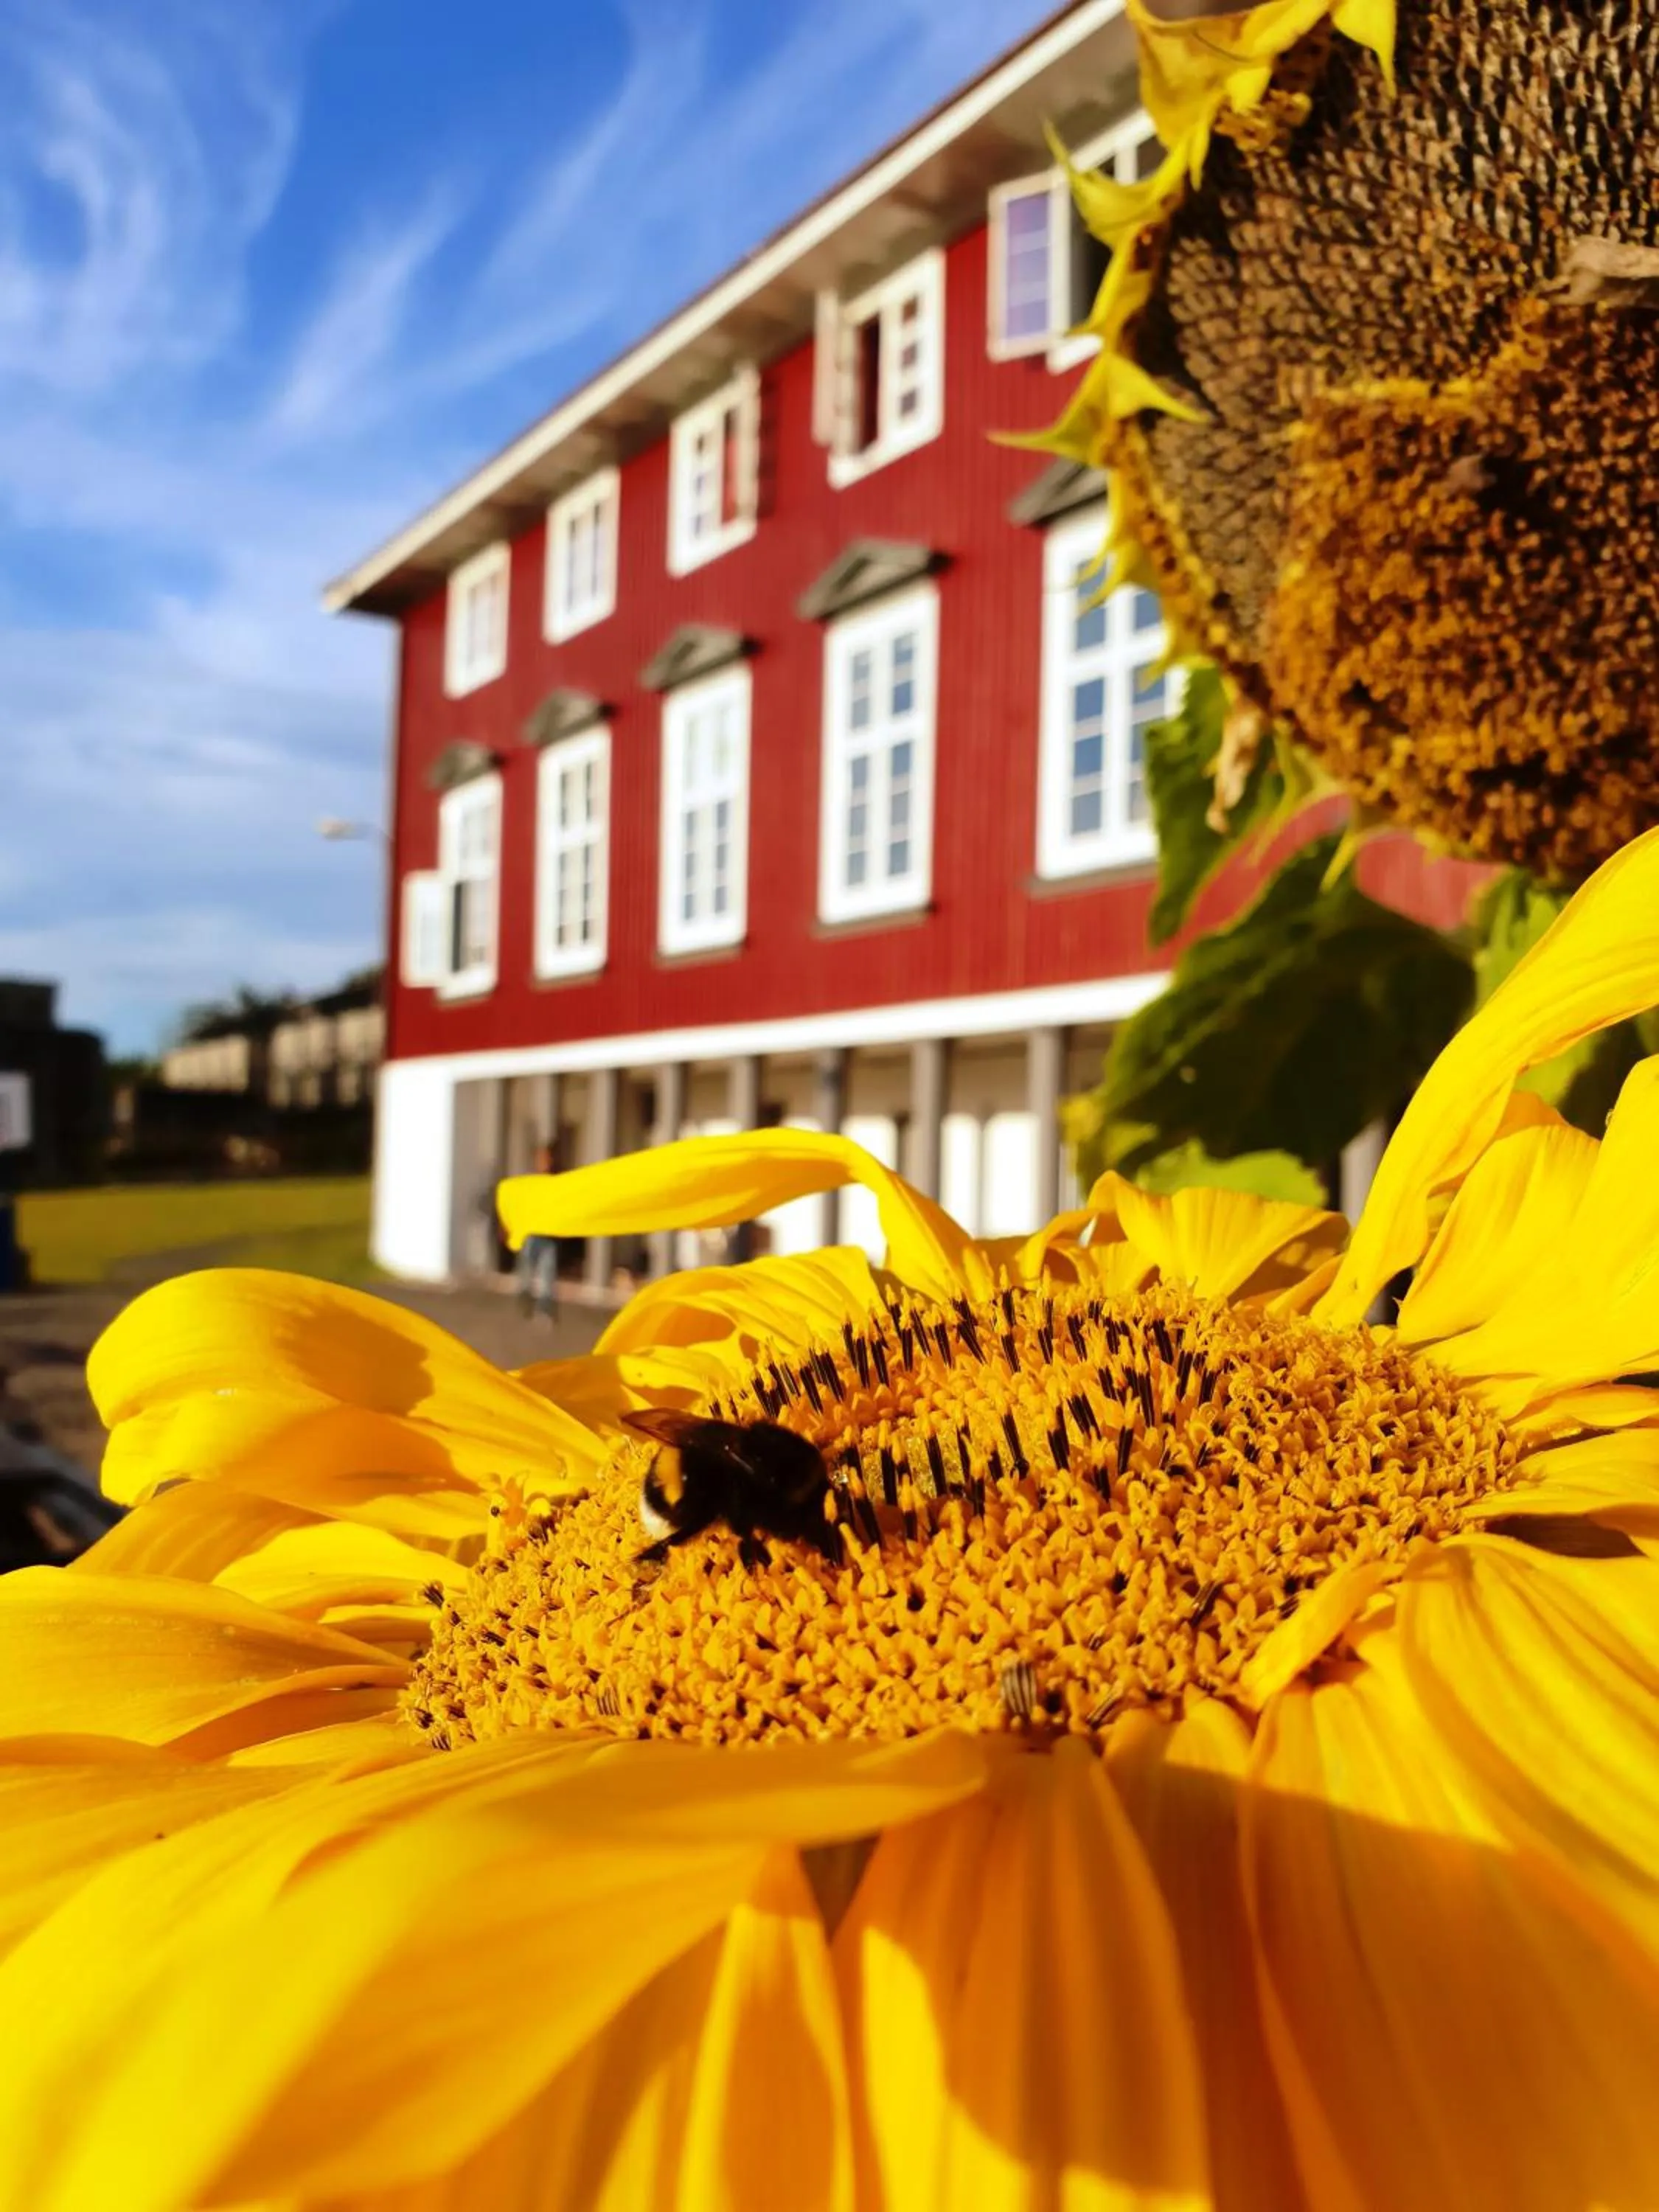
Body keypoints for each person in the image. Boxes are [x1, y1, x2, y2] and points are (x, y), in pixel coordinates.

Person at [515, 1140, 562, 1319]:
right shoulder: (531, 1182)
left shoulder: (556, 1182)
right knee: (526, 1270)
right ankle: (525, 1304)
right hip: (532, 1234)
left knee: (547, 1273)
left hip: (548, 1235)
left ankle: (545, 1309)